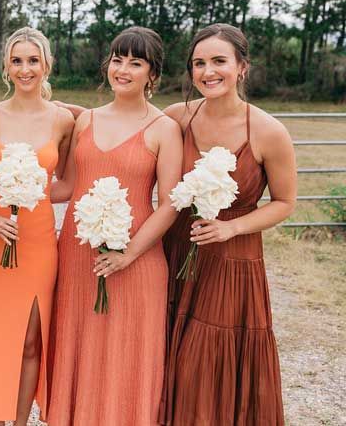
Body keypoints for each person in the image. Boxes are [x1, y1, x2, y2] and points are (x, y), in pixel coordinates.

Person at [160, 24, 296, 425]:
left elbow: (285, 203)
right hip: (179, 251)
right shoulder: (176, 118)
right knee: (173, 357)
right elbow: (126, 117)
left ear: (242, 67)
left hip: (234, 261)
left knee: (206, 361)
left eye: (219, 61)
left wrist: (232, 228)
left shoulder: (269, 132)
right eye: (199, 63)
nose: (207, 71)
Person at [48, 26, 183, 425]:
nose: (122, 69)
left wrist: (129, 254)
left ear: (152, 74)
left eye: (135, 62)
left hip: (136, 260)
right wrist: (14, 194)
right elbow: (67, 186)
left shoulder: (163, 130)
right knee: (80, 345)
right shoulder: (85, 121)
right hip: (77, 256)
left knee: (127, 353)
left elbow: (170, 204)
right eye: (117, 59)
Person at [0, 27, 74, 425]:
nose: (25, 69)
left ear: (47, 64)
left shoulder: (64, 120)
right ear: (6, 67)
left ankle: (16, 421)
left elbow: (65, 182)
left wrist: (35, 193)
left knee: (32, 338)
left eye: (33, 60)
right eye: (17, 61)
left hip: (38, 240)